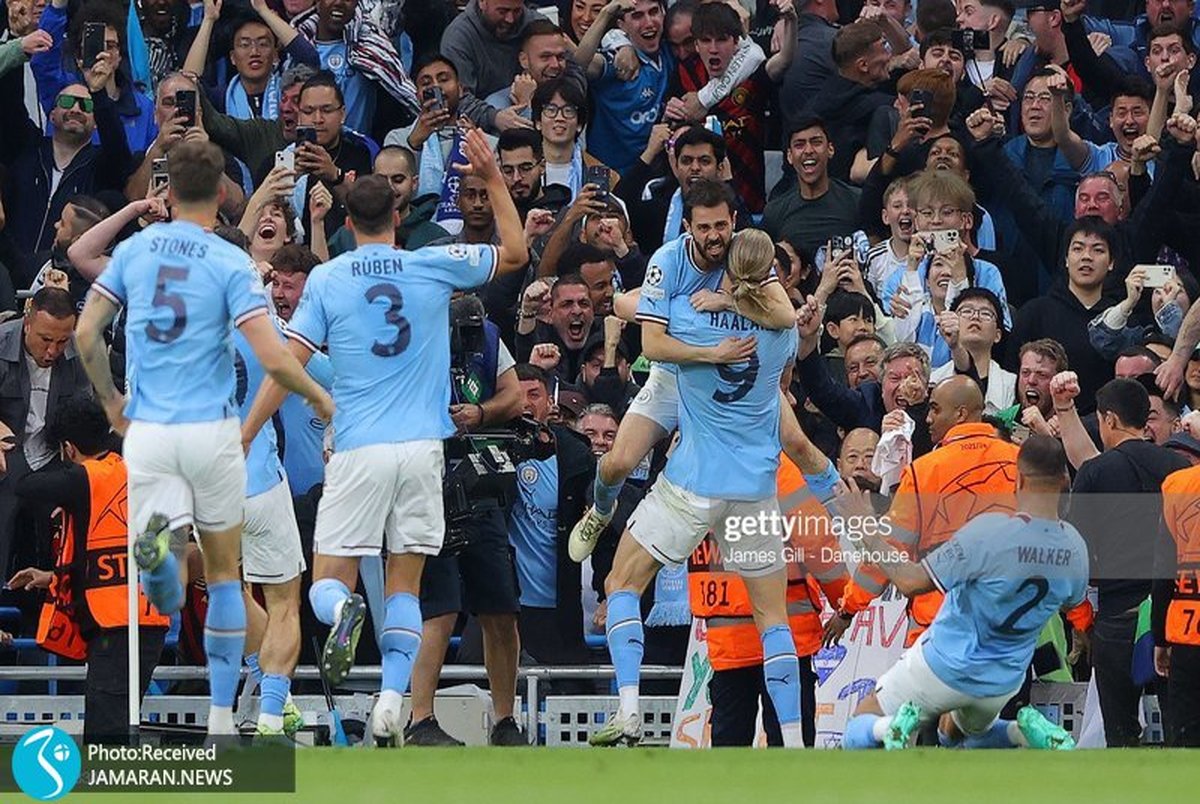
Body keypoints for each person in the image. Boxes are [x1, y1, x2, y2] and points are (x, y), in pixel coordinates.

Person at [238, 131, 528, 746]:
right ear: (397, 216)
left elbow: (287, 365)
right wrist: (494, 179)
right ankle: (394, 699)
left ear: (347, 219)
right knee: (407, 584)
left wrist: (245, 433)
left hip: (360, 448)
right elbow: (517, 253)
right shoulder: (431, 263)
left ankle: (345, 617)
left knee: (326, 583)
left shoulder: (328, 280)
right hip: (424, 451)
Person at [73, 139, 334, 736]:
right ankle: (229, 715)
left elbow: (87, 333)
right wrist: (319, 397)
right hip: (228, 448)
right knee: (236, 585)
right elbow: (273, 356)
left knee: (181, 572)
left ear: (167, 193)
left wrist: (112, 405)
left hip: (153, 438)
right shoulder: (230, 269)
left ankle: (158, 564)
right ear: (222, 194)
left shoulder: (137, 254)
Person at [587, 226, 803, 748]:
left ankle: (630, 711)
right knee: (773, 617)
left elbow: (633, 313)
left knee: (621, 584)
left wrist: (616, 299)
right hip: (752, 487)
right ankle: (794, 742)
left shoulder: (686, 313)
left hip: (692, 479)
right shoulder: (785, 333)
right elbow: (784, 359)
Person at [566, 187, 797, 562]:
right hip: (676, 374)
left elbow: (784, 316)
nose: (714, 235)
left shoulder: (745, 252)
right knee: (618, 463)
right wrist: (711, 353)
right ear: (688, 226)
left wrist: (727, 300)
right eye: (703, 227)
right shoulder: (669, 261)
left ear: (734, 222)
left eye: (721, 225)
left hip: (731, 382)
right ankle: (600, 512)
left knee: (799, 443)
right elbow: (654, 346)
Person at [840, 435, 1088, 751]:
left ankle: (890, 727)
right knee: (954, 734)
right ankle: (1019, 732)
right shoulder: (1075, 548)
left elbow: (911, 581)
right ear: (1065, 478)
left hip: (944, 664)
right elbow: (1073, 604)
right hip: (1003, 679)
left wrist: (868, 532)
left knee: (858, 726)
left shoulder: (989, 532)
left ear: (1019, 477)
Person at [7, 396, 169, 745]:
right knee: (113, 725)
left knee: (107, 734)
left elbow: (25, 486)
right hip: (142, 618)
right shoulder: (130, 471)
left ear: (68, 448)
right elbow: (105, 550)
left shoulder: (88, 478)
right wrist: (52, 577)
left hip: (119, 623)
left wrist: (7, 449)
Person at [406, 295, 526, 747]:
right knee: (438, 606)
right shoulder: (411, 339)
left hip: (477, 480)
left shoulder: (489, 336)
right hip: (425, 480)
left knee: (501, 607)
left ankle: (505, 720)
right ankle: (420, 718)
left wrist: (480, 413)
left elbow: (513, 395)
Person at [825, 377, 1021, 649]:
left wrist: (848, 609)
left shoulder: (925, 471)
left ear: (961, 414)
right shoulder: (1023, 462)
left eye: (935, 409)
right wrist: (1079, 616)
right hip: (1009, 624)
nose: (928, 418)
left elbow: (890, 551)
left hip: (940, 627)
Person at [1057, 375, 1190, 746]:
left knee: (1120, 730)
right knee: (1181, 724)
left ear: (1110, 420)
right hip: (1174, 612)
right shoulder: (1178, 469)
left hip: (1117, 613)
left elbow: (1075, 545)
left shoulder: (1096, 472)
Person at [0, 288, 91, 579]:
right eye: (45, 340)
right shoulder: (1, 343)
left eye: (62, 341)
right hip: (8, 453)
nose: (53, 351)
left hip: (52, 456)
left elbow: (84, 416)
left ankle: (58, 605)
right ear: (28, 323)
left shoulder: (79, 355)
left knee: (72, 508)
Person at [763, 118, 862, 260]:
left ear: (830, 149)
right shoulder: (774, 212)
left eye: (816, 142)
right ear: (789, 156)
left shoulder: (856, 201)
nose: (808, 150)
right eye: (799, 145)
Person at [1156, 461, 1200, 746]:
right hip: (1186, 628)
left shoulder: (1178, 486)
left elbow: (1163, 569)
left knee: (1187, 738)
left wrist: (1159, 637)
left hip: (1187, 628)